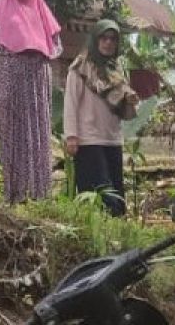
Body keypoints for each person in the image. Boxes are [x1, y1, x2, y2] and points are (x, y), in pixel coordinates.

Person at [0, 0, 62, 203]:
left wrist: (45, 53)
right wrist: (11, 50)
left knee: (37, 131)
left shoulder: (41, 7)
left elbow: (57, 43)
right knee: (13, 131)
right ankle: (14, 194)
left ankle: (39, 193)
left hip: (37, 76)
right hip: (10, 75)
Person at [63, 19, 138, 217]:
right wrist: (71, 136)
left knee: (116, 194)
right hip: (89, 140)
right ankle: (99, 239)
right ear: (95, 40)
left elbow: (120, 103)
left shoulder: (117, 69)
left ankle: (118, 240)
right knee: (101, 196)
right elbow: (70, 103)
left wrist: (128, 99)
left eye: (113, 39)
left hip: (112, 138)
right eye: (103, 38)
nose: (108, 43)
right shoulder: (79, 68)